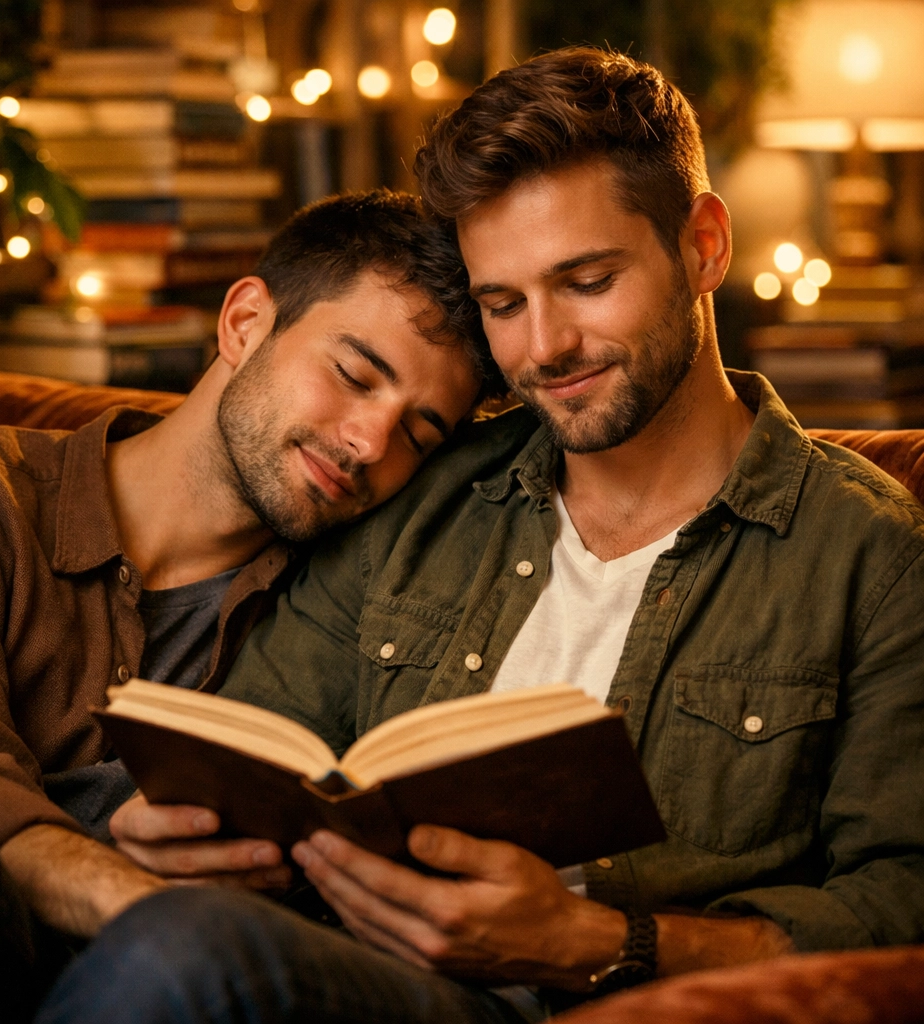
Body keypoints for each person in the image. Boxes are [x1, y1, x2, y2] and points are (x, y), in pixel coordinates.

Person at [47, 46, 924, 1024]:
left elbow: (901, 903)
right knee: (163, 932)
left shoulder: (869, 553)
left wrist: (597, 942)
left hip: (615, 1006)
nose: (542, 348)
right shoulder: (427, 490)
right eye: (503, 304)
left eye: (586, 281)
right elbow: (261, 736)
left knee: (177, 951)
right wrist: (179, 826)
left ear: (704, 248)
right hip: (356, 981)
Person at [0, 190, 491, 1023]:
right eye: (354, 375)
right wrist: (149, 908)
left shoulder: (346, 608)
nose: (370, 442)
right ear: (245, 323)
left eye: (418, 435)